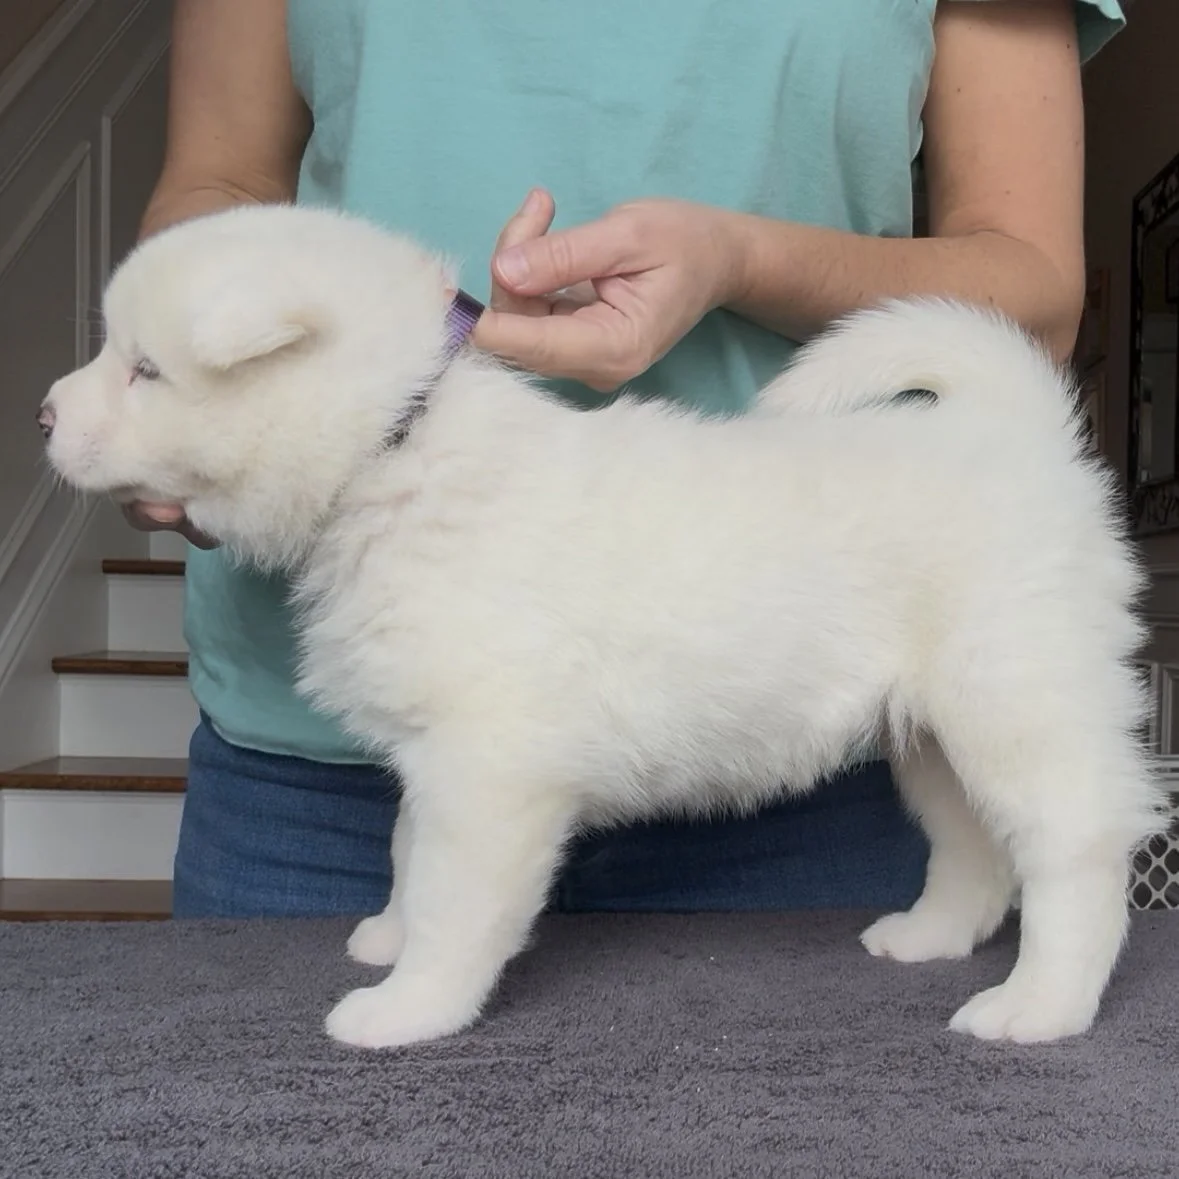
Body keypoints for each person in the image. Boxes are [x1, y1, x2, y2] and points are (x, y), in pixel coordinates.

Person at [132, 0, 1125, 918]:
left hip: (785, 725)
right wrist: (168, 386)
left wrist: (744, 262)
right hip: (332, 771)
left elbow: (1032, 295)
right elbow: (220, 182)